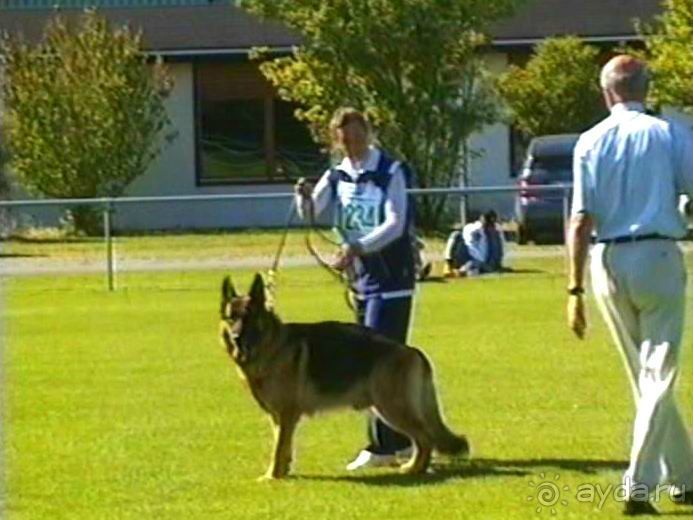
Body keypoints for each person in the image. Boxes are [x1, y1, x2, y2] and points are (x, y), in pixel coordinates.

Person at [567, 54, 693, 516]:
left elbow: (580, 219)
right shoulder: (667, 133)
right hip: (657, 253)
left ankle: (683, 475)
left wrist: (573, 289)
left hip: (607, 258)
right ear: (647, 88)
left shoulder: (589, 141)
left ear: (606, 93)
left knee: (645, 377)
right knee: (659, 374)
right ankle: (638, 486)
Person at [294, 107, 416, 470]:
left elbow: (396, 223)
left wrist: (358, 246)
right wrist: (302, 198)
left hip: (392, 279)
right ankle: (403, 440)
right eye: (345, 140)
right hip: (360, 280)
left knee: (377, 364)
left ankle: (383, 447)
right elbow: (314, 212)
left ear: (369, 132)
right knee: (377, 363)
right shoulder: (337, 175)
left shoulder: (390, 171)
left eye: (358, 137)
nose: (352, 145)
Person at [443, 210, 505, 277]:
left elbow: (499, 253)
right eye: (488, 223)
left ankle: (462, 272)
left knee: (473, 265)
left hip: (484, 263)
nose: (490, 227)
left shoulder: (496, 234)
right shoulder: (472, 228)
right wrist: (479, 230)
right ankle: (448, 265)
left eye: (491, 224)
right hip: (466, 257)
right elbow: (468, 239)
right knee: (455, 234)